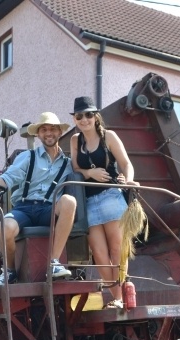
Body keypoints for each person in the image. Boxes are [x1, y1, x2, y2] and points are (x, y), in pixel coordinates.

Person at [0, 112, 76, 286]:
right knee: (5, 227)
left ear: (60, 132)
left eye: (52, 129)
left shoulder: (68, 163)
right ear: (38, 134)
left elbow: (87, 170)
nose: (48, 133)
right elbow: (5, 180)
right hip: (24, 208)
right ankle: (10, 271)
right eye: (44, 129)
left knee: (69, 201)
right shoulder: (28, 157)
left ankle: (54, 263)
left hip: (48, 210)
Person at [69, 96, 136, 309]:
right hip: (89, 200)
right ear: (75, 119)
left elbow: (126, 163)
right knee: (99, 255)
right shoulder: (75, 140)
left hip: (111, 196)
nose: (84, 119)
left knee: (117, 251)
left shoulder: (109, 136)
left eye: (89, 114)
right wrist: (90, 172)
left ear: (95, 116)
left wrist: (130, 179)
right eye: (79, 116)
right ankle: (117, 296)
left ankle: (119, 298)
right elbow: (75, 169)